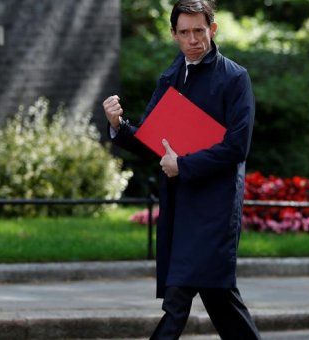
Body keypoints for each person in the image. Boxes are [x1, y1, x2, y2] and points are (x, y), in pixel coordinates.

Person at [102, 0, 261, 339]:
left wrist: (183, 165)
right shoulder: (171, 76)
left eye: (199, 31)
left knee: (178, 301)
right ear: (173, 34)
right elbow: (151, 141)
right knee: (219, 299)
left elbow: (237, 148)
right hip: (179, 202)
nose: (193, 39)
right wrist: (118, 125)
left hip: (214, 208)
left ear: (212, 30)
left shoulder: (235, 78)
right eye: (185, 32)